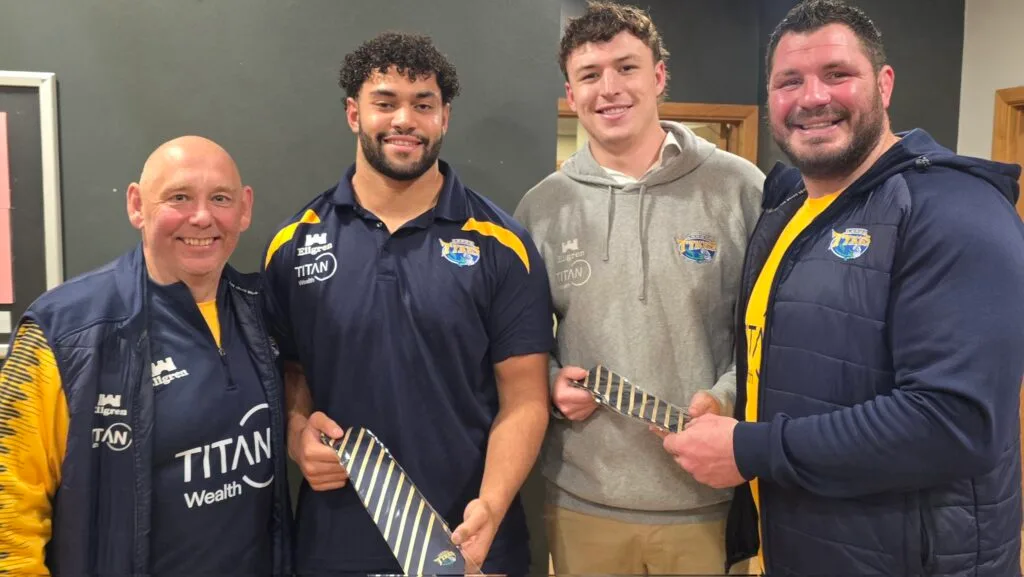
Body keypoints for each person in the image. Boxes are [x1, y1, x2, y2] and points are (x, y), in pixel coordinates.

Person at [660, 1, 1024, 575]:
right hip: (801, 544)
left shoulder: (956, 211)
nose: (811, 97)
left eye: (837, 74)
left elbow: (954, 423)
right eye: (789, 82)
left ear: (884, 83)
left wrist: (750, 448)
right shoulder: (788, 214)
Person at [261, 31, 553, 576]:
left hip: (469, 538)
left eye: (423, 105)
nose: (405, 120)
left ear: (444, 118)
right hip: (335, 539)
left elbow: (525, 398)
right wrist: (299, 434)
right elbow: (289, 371)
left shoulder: (502, 244)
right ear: (354, 113)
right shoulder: (293, 243)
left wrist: (490, 506)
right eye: (385, 102)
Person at [513, 2, 764, 575]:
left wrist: (727, 395)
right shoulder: (541, 206)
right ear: (571, 93)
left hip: (708, 492)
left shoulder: (740, 188)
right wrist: (551, 381)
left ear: (658, 76)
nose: (610, 89)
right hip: (582, 497)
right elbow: (519, 339)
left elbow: (769, 328)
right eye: (590, 75)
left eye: (626, 68)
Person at [0, 136, 293, 576]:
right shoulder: (61, 331)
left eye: (220, 198)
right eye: (179, 197)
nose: (202, 216)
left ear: (244, 208)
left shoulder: (263, 310)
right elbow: (9, 509)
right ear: (137, 205)